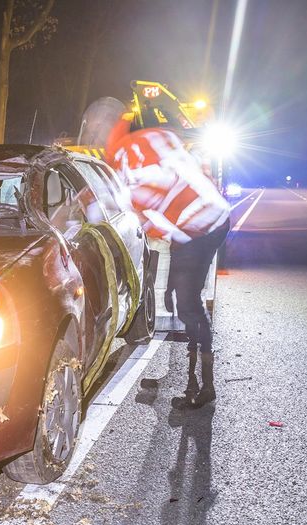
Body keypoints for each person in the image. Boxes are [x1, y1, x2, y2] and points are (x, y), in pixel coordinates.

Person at [105, 114, 231, 407]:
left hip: (201, 226)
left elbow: (148, 211)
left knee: (189, 305)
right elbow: (172, 230)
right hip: (206, 223)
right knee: (185, 299)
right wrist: (171, 281)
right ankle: (194, 379)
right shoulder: (161, 142)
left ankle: (204, 386)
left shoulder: (135, 162)